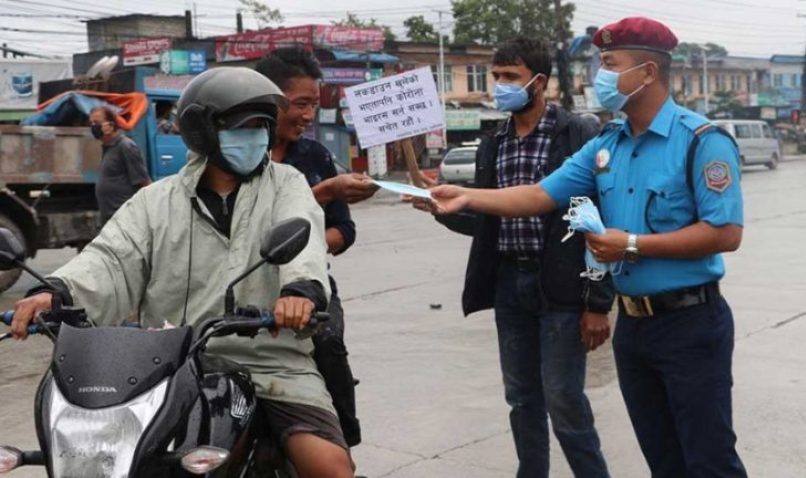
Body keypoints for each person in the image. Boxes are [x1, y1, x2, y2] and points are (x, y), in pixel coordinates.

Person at [427, 17, 747, 478]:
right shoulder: (607, 144)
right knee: (663, 460)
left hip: (689, 323)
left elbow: (725, 233)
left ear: (647, 73)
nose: (600, 75)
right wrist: (465, 196)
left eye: (610, 64)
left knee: (709, 460)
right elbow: (539, 194)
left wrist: (632, 245)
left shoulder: (702, 141)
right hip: (632, 326)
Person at [12, 67, 354, 478]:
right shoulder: (155, 202)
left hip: (271, 360)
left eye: (262, 127)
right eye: (243, 127)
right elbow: (110, 258)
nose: (256, 137)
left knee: (329, 467)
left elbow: (304, 238)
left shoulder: (287, 184)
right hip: (169, 368)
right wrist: (57, 293)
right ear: (202, 131)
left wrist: (299, 291)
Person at [415, 37, 613, 478]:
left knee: (564, 400)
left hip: (561, 286)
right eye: (496, 76)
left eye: (510, 77)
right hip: (510, 286)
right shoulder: (493, 143)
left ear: (538, 82)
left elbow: (602, 218)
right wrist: (443, 210)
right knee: (522, 399)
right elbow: (487, 221)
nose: (500, 85)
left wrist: (598, 302)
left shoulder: (577, 135)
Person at [256, 47, 378, 449]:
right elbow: (244, 224)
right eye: (300, 104)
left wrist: (302, 245)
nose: (309, 115)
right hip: (243, 282)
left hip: (309, 283)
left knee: (326, 341)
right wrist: (322, 193)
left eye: (314, 105)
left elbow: (344, 230)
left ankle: (344, 438)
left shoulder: (315, 155)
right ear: (269, 100)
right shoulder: (237, 157)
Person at [89, 106, 152, 224]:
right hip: (110, 219)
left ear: (110, 125)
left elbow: (144, 183)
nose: (93, 126)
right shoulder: (107, 148)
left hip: (124, 219)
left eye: (96, 123)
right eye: (91, 123)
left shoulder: (125, 146)